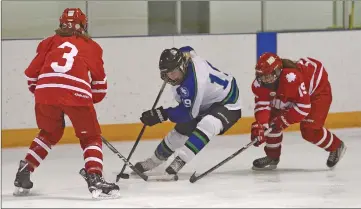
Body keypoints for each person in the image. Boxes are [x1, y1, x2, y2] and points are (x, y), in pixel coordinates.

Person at [14, 8, 119, 198]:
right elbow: (100, 88)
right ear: (83, 25)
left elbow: (31, 76)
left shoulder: (48, 42)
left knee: (49, 132)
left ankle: (25, 169)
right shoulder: (92, 46)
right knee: (91, 137)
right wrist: (84, 100)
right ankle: (94, 177)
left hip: (44, 92)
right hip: (77, 95)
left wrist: (48, 95)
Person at [134, 46, 243, 175]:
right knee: (180, 132)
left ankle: (181, 160)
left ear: (182, 66)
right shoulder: (185, 61)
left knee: (208, 124)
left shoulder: (194, 83)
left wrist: (162, 114)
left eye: (173, 72)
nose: (171, 77)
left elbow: (189, 113)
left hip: (228, 102)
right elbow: (189, 49)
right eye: (167, 73)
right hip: (205, 101)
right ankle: (154, 161)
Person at [250, 52, 346, 170]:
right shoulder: (258, 85)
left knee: (309, 130)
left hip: (317, 92)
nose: (265, 79)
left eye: (268, 75)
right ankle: (272, 156)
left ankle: (336, 146)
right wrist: (260, 126)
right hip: (293, 94)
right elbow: (262, 106)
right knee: (271, 121)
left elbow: (303, 107)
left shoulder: (291, 78)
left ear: (278, 72)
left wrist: (283, 121)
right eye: (262, 76)